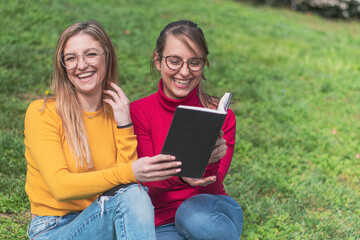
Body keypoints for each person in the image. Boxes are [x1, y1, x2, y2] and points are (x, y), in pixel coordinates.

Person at [24, 20, 181, 240]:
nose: (81, 65)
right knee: (133, 195)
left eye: (90, 54)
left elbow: (126, 187)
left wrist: (125, 124)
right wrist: (130, 172)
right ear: (63, 67)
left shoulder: (117, 114)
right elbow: (60, 187)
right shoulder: (43, 113)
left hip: (104, 221)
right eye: (71, 58)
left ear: (106, 57)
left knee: (133, 194)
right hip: (54, 229)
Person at [130, 20, 244, 240]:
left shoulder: (221, 115)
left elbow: (213, 182)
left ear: (203, 64)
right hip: (162, 222)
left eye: (194, 63)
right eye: (174, 61)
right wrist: (183, 177)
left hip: (209, 211)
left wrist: (209, 161)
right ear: (158, 61)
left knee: (192, 214)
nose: (184, 72)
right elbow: (144, 183)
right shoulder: (138, 112)